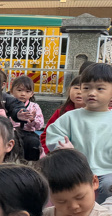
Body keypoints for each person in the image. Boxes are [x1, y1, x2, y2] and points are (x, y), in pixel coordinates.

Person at [46, 63, 112, 203]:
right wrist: (64, 150)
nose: (92, 93)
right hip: (77, 170)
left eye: (100, 88)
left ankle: (103, 213)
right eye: (86, 88)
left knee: (109, 187)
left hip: (108, 171)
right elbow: (54, 134)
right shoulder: (71, 117)